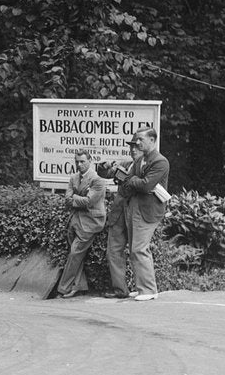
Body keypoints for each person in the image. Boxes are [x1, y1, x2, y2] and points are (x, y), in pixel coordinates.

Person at [115, 128, 170, 301]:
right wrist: (128, 178)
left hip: (149, 210)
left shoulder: (160, 162)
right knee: (135, 249)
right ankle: (144, 288)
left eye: (141, 140)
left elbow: (145, 185)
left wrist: (129, 180)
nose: (137, 143)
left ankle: (148, 291)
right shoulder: (143, 160)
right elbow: (134, 180)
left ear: (153, 141)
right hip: (137, 207)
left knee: (139, 248)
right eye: (136, 140)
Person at [54, 151, 108, 299]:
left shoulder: (98, 180)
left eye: (83, 161)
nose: (79, 164)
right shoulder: (74, 178)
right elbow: (67, 199)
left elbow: (89, 201)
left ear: (90, 161)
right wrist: (78, 199)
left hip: (91, 221)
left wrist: (75, 198)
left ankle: (63, 289)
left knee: (75, 253)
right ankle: (78, 286)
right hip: (75, 220)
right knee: (76, 254)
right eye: (77, 161)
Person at [96, 141, 145, 298]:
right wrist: (103, 165)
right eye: (131, 147)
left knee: (137, 251)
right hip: (118, 212)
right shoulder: (127, 164)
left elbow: (144, 185)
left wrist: (124, 175)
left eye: (136, 147)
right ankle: (120, 290)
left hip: (136, 213)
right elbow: (104, 173)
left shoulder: (150, 167)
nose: (133, 150)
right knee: (113, 251)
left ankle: (142, 289)